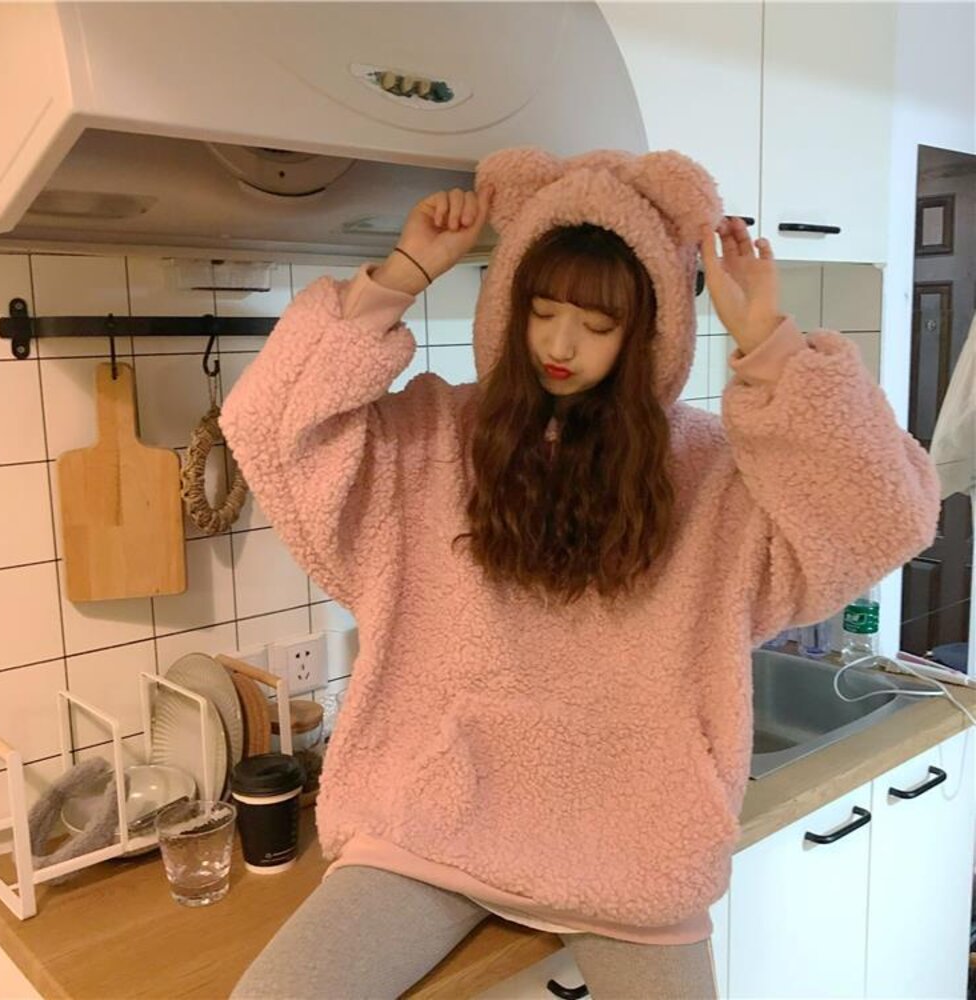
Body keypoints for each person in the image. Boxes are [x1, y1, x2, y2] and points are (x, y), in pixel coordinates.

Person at [220, 146, 940, 999]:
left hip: (630, 850)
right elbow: (269, 425)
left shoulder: (709, 474)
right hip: (429, 822)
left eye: (599, 326)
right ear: (508, 303)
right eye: (542, 311)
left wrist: (771, 344)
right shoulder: (437, 439)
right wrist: (402, 272)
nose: (561, 345)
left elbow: (884, 514)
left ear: (648, 334)